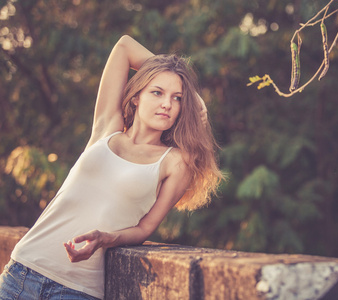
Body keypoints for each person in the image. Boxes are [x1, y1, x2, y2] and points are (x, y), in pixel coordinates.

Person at [0, 35, 222, 300]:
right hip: (20, 273)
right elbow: (125, 46)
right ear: (137, 96)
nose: (167, 104)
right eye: (157, 92)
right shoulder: (108, 127)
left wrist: (106, 238)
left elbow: (144, 229)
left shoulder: (176, 161)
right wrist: (194, 95)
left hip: (76, 290)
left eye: (178, 98)